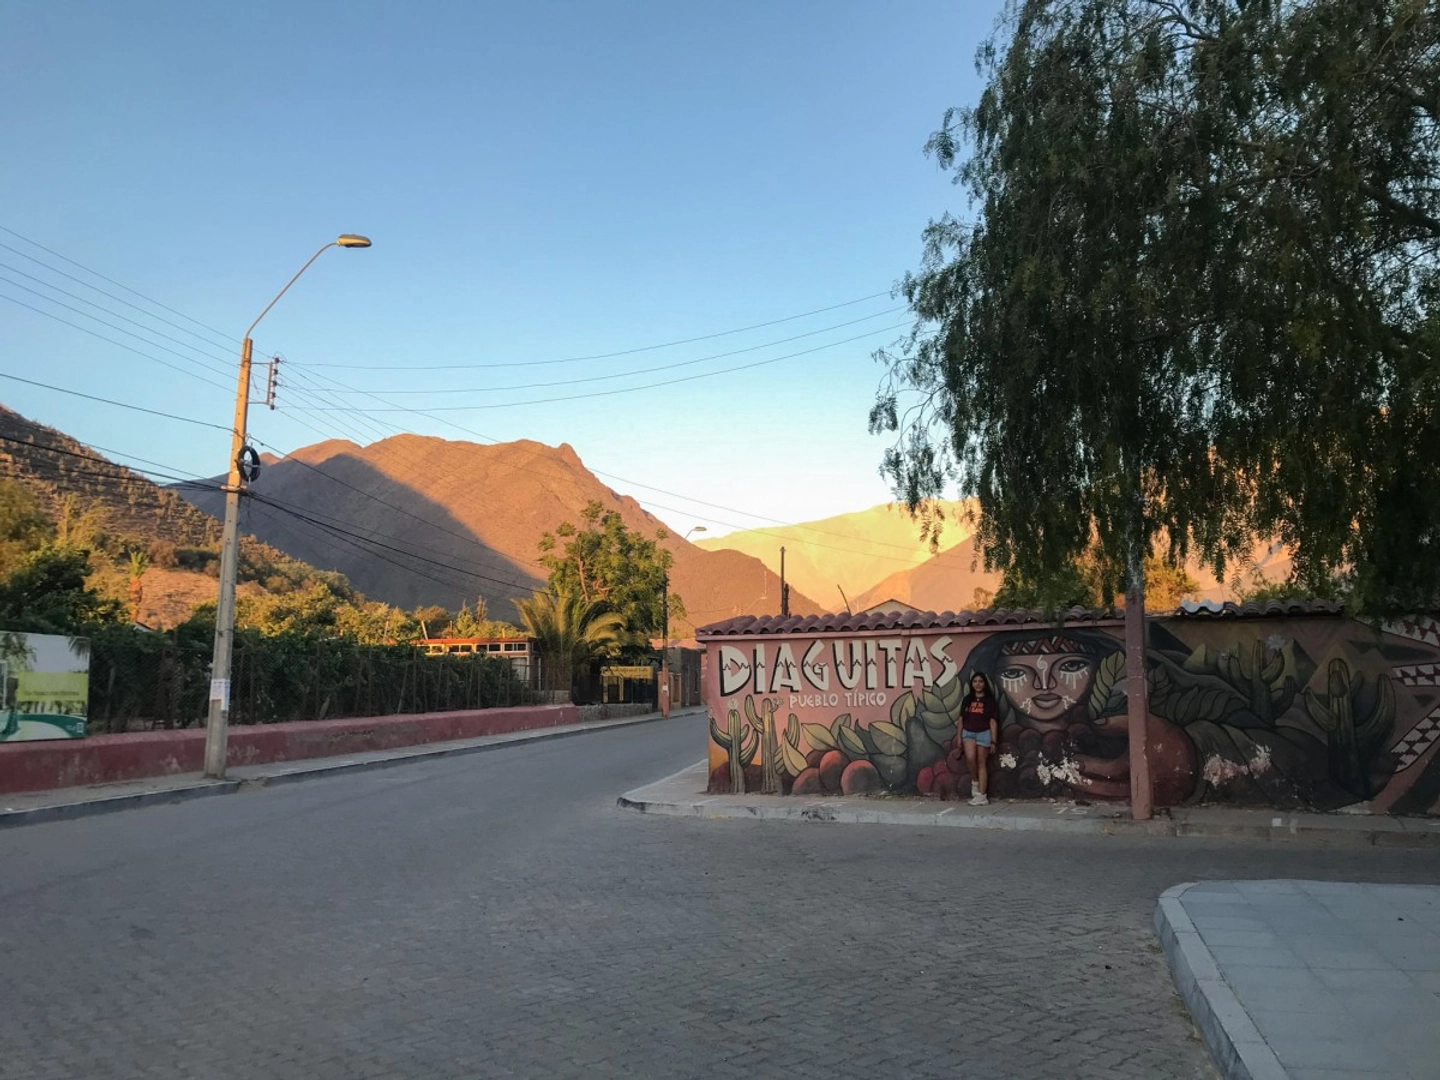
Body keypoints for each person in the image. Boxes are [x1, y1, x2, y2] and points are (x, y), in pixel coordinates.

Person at [958, 671, 1000, 805]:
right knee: (970, 758)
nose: (978, 684)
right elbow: (961, 719)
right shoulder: (967, 699)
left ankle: (982, 796)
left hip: (984, 733)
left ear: (984, 684)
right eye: (975, 681)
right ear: (972, 684)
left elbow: (993, 721)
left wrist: (993, 741)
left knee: (982, 763)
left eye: (980, 681)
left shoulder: (990, 701)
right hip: (968, 733)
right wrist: (958, 737)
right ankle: (975, 781)